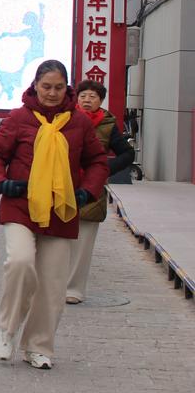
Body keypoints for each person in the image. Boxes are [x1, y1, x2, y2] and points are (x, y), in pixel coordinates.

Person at [0, 60, 108, 370]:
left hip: (61, 210)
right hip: (21, 205)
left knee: (53, 284)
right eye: (46, 87)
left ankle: (37, 346)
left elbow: (98, 161)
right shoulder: (18, 118)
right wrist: (1, 182)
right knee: (20, 262)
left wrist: (87, 191)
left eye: (58, 87)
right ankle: (8, 330)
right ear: (35, 86)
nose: (52, 93)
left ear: (67, 88)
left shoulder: (78, 123)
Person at [65, 79, 136, 305]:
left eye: (93, 97)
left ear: (101, 101)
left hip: (91, 188)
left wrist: (104, 169)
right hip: (62, 185)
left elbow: (127, 154)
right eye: (83, 96)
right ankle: (50, 285)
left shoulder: (107, 124)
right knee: (56, 239)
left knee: (83, 241)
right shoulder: (65, 118)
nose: (87, 100)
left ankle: (73, 289)